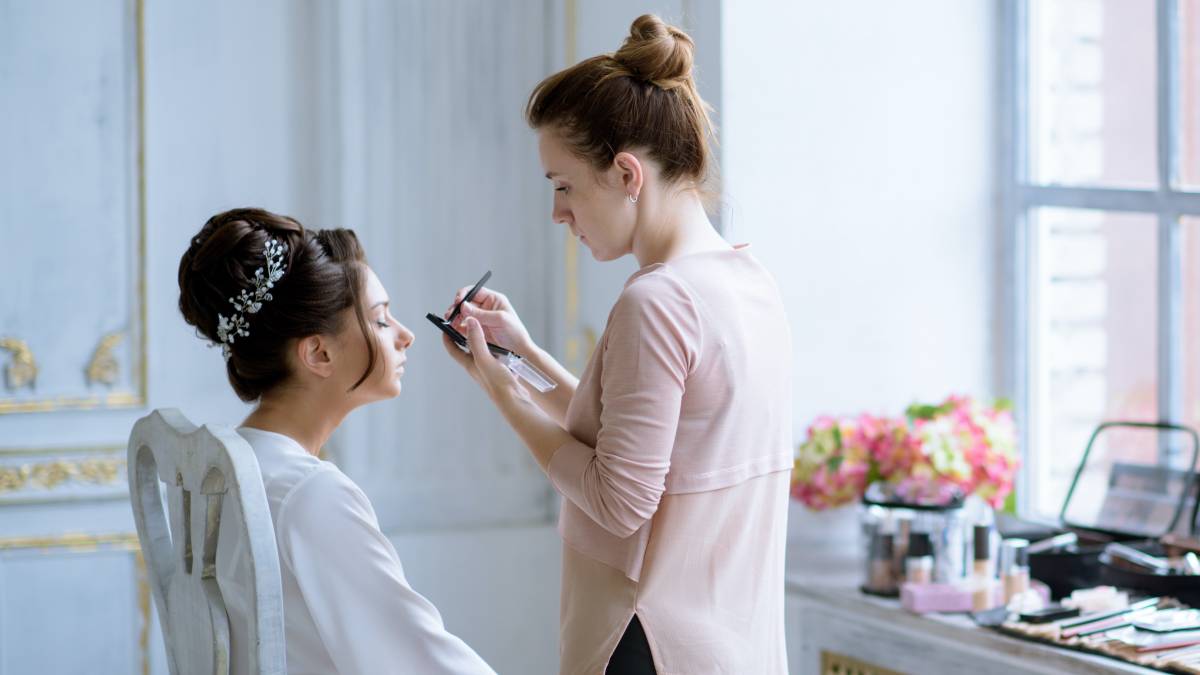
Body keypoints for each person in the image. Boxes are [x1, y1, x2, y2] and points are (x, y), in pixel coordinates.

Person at [441, 14, 793, 675]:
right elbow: (647, 447)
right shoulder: (748, 281)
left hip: (646, 642)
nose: (558, 214)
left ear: (628, 174)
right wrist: (522, 353)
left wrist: (499, 387)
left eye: (564, 186)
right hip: (733, 645)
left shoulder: (655, 301)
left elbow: (618, 497)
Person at [178, 207, 496, 675]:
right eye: (383, 320)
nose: (406, 336)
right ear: (319, 353)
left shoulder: (219, 471)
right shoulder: (308, 494)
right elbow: (421, 660)